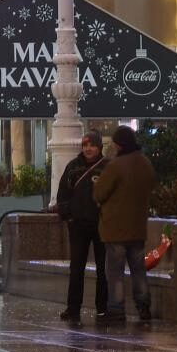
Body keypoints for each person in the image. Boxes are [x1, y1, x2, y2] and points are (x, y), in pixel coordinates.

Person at [93, 125, 158, 323]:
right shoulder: (145, 163)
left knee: (115, 272)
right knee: (139, 269)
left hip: (115, 229)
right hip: (137, 227)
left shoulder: (116, 166)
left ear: (119, 144)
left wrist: (96, 184)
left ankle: (116, 309)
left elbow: (100, 194)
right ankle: (144, 306)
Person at [55, 131, 110, 323]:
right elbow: (63, 194)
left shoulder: (107, 167)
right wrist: (68, 216)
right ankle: (73, 308)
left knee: (104, 269)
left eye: (92, 145)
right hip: (78, 225)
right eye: (85, 145)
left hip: (102, 225)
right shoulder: (73, 167)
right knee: (76, 268)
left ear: (99, 147)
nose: (88, 149)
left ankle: (103, 308)